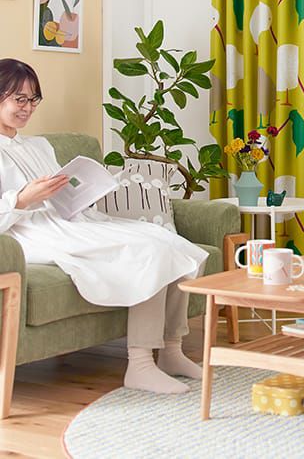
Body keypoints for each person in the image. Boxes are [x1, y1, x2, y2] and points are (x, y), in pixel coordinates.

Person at [0, 58, 209, 394]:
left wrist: (82, 192)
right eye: (19, 99)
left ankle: (171, 351)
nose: (27, 107)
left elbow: (61, 196)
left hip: (71, 220)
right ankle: (140, 365)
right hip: (31, 233)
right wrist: (21, 199)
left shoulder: (38, 145)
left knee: (173, 243)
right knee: (149, 251)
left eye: (33, 99)